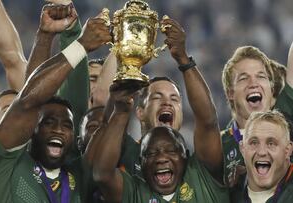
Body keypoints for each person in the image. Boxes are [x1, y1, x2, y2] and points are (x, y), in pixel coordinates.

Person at [93, 16, 229, 202]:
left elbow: (208, 121)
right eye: (157, 97)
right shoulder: (127, 158)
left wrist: (183, 59)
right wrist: (120, 107)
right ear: (139, 112)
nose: (167, 103)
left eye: (174, 99)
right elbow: (102, 168)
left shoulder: (200, 172)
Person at [0, 9, 111, 202]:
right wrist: (79, 45)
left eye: (67, 125)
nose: (59, 129)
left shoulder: (78, 174)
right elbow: (29, 101)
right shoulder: (7, 161)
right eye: (49, 122)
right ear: (32, 127)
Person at [221, 43, 293, 200]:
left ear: (271, 88)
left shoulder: (288, 116)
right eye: (243, 78)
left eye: (261, 76)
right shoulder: (218, 145)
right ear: (230, 93)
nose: (253, 83)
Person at [239, 110, 293, 202]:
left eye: (271, 143)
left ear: (288, 150)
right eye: (254, 143)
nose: (262, 152)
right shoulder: (228, 193)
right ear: (242, 149)